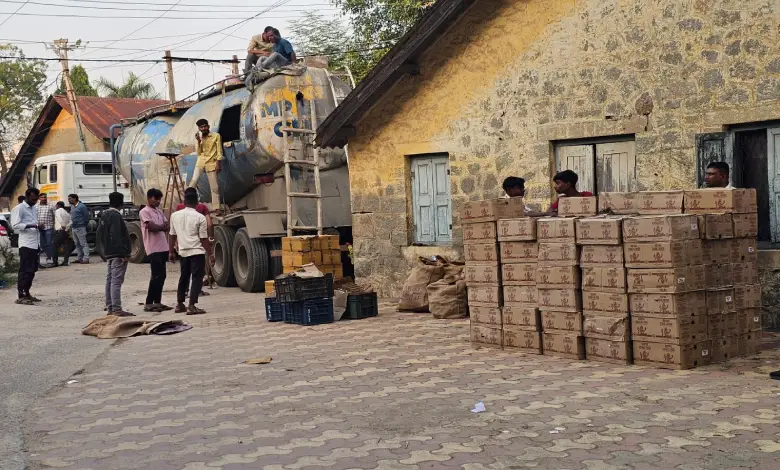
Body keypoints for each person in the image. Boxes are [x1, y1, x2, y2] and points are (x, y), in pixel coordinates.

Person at [169, 191, 213, 315]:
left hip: (182, 252)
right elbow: (204, 239)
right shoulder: (200, 217)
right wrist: (211, 254)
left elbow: (172, 234)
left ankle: (179, 304)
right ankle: (192, 305)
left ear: (184, 202)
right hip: (196, 251)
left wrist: (171, 251)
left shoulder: (175, 215)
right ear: (197, 203)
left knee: (184, 277)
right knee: (197, 278)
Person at [96, 192, 132, 316]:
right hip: (117, 253)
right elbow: (116, 235)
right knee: (116, 281)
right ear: (121, 203)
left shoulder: (104, 215)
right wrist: (122, 253)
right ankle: (116, 308)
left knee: (110, 280)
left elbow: (99, 234)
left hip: (109, 252)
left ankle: (110, 307)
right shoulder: (116, 216)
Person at [140, 188, 172, 312]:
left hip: (163, 246)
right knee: (156, 276)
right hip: (153, 248)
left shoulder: (158, 211)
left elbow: (167, 225)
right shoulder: (144, 211)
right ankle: (149, 303)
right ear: (149, 198)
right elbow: (151, 227)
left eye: (159, 199)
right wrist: (161, 227)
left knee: (162, 275)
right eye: (155, 198)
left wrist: (161, 227)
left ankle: (157, 302)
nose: (158, 201)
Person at [11, 188, 41, 305]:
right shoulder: (19, 208)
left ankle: (27, 292)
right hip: (26, 244)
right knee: (25, 270)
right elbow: (15, 226)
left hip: (35, 243)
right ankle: (21, 295)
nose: (35, 201)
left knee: (32, 270)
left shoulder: (34, 208)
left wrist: (37, 226)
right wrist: (32, 225)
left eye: (36, 199)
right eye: (33, 199)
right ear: (27, 196)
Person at [189, 119, 223, 212]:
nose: (203, 128)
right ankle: (188, 203)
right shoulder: (199, 137)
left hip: (211, 162)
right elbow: (199, 152)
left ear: (208, 126)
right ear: (199, 129)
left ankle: (217, 208)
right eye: (201, 127)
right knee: (193, 181)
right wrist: (199, 141)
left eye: (205, 126)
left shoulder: (216, 136)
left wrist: (218, 163)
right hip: (201, 162)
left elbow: (219, 150)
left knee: (214, 187)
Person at [68, 194, 90, 264]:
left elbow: (86, 217)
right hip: (74, 228)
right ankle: (80, 258)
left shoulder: (82, 206)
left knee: (83, 243)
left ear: (75, 199)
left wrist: (83, 225)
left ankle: (86, 258)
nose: (69, 200)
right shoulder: (72, 207)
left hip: (80, 227)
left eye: (70, 198)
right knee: (77, 244)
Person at [52, 201, 74, 267]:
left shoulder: (58, 211)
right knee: (66, 246)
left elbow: (59, 218)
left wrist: (63, 225)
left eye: (56, 205)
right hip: (65, 232)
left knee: (54, 245)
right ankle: (65, 261)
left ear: (58, 205)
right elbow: (71, 221)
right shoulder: (67, 213)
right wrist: (67, 227)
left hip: (60, 230)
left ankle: (55, 262)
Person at [37, 193, 55, 267]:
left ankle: (50, 258)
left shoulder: (51, 206)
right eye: (42, 197)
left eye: (45, 197)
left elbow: (55, 216)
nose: (44, 198)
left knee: (49, 243)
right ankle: (40, 260)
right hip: (39, 228)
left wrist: (54, 226)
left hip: (48, 227)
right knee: (42, 244)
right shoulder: (36, 207)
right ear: (39, 198)